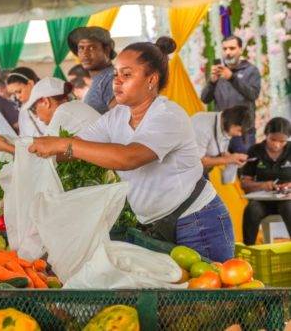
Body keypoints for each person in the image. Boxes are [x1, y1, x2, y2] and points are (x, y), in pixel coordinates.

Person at [28, 37, 235, 262]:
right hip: (156, 225)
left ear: (151, 80)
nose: (117, 82)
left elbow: (129, 157)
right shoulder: (117, 116)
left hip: (198, 221)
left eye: (126, 75)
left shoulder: (168, 115)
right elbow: (77, 147)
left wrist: (62, 144)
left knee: (210, 292)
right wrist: (24, 150)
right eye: (116, 74)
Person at [0, 77, 100, 154]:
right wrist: (11, 141)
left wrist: (7, 147)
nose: (38, 117)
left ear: (45, 101)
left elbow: (42, 154)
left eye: (35, 109)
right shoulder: (75, 106)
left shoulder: (63, 111)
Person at [200, 35, 261, 154]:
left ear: (240, 49)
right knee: (218, 168)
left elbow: (253, 95)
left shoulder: (251, 71)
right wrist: (212, 82)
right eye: (225, 49)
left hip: (243, 131)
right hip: (220, 130)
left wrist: (232, 78)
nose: (228, 52)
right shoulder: (218, 71)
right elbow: (205, 99)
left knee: (243, 165)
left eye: (232, 48)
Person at [240, 117, 291, 245]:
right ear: (266, 135)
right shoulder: (255, 150)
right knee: (251, 210)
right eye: (273, 139)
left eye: (282, 141)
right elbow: (244, 184)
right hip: (263, 202)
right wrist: (262, 185)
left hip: (287, 200)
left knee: (289, 207)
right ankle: (249, 251)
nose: (276, 144)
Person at [68, 26, 117, 114]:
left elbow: (120, 120)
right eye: (81, 48)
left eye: (91, 48)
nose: (85, 54)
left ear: (106, 50)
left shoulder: (110, 79)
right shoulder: (99, 79)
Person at [191, 105, 251, 173]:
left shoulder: (225, 124)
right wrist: (229, 159)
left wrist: (236, 159)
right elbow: (197, 162)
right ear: (232, 123)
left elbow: (221, 149)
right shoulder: (203, 128)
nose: (239, 134)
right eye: (239, 130)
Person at [6, 67, 47, 137]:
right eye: (14, 94)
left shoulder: (49, 100)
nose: (17, 97)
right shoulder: (23, 111)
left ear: (30, 84)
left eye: (19, 91)